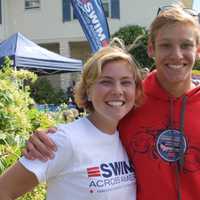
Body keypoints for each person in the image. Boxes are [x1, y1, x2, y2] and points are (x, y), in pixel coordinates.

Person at [22, 3, 200, 200]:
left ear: (198, 50)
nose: (176, 54)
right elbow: (93, 129)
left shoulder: (131, 97)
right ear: (151, 49)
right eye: (166, 45)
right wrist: (47, 139)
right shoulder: (134, 99)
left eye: (186, 45)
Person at [0, 38, 144, 200]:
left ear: (136, 90)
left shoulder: (127, 138)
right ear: (88, 90)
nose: (118, 91)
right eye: (106, 82)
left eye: (126, 82)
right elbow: (4, 190)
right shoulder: (64, 140)